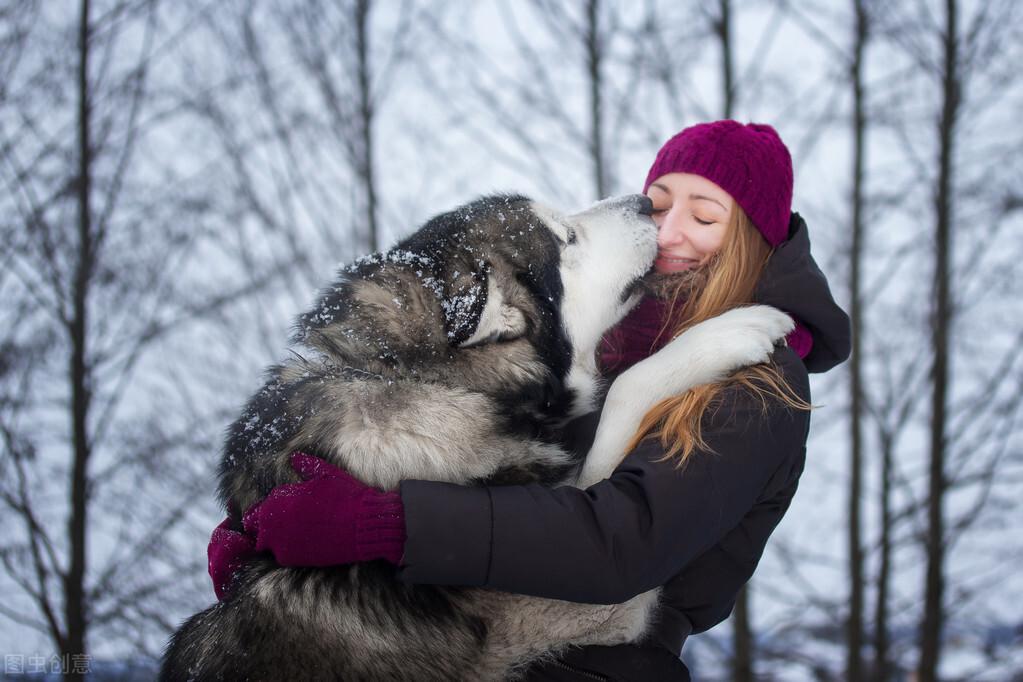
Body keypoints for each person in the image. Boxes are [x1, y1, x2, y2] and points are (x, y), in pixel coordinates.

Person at [207, 120, 851, 681]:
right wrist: (280, 574)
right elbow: (497, 496)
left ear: (751, 241)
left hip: (591, 661)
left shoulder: (757, 373)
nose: (668, 231)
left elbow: (619, 543)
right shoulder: (602, 348)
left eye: (706, 216)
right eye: (658, 205)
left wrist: (382, 525)